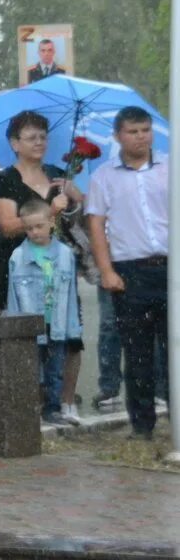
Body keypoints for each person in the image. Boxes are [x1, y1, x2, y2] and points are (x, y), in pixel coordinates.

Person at [0, 110, 85, 422]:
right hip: (18, 269)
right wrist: (47, 209)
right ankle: (29, 404)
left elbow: (76, 220)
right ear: (15, 143)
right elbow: (7, 226)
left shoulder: (58, 174)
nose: (39, 142)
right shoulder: (6, 179)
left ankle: (64, 401)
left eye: (43, 136)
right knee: (25, 337)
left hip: (57, 267)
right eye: (31, 137)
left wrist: (74, 197)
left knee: (67, 332)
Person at [87, 106, 169, 441]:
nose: (141, 137)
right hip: (130, 273)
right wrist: (107, 271)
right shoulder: (104, 177)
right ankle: (142, 426)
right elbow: (96, 224)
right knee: (137, 352)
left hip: (170, 268)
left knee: (174, 349)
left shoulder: (169, 168)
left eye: (146, 130)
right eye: (133, 131)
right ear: (119, 136)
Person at [7, 198, 81, 425]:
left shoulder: (66, 254)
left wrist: (73, 327)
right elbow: (13, 295)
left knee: (55, 367)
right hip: (31, 323)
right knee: (30, 368)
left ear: (51, 222)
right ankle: (30, 408)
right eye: (28, 228)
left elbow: (71, 295)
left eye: (38, 226)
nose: (33, 232)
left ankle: (52, 408)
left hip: (56, 322)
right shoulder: (18, 257)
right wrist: (15, 327)